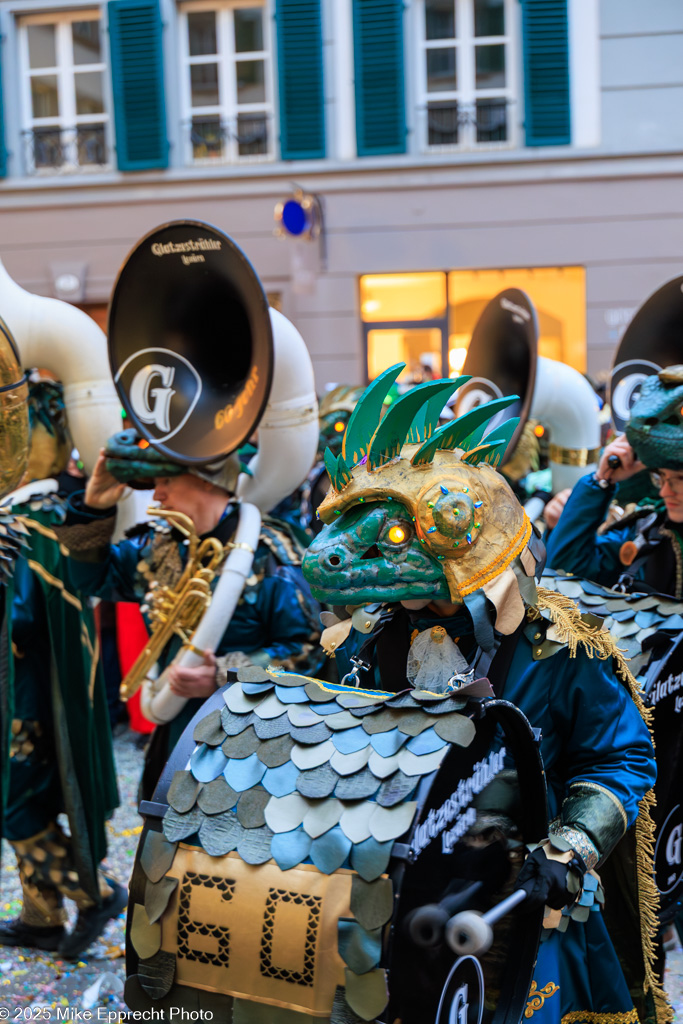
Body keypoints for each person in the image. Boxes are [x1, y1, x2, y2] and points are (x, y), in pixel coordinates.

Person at [301, 368, 668, 1021]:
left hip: (522, 908)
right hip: (386, 910)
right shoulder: (352, 645)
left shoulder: (559, 646)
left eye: (391, 534)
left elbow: (622, 757)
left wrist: (569, 849)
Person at [62, 430, 323, 801]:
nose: (156, 494)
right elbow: (90, 578)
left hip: (252, 740)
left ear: (208, 480)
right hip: (177, 730)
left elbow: (310, 650)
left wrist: (227, 676)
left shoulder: (272, 555)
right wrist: (94, 506)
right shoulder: (160, 547)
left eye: (166, 480)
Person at [0, 374, 123, 958]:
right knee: (27, 800)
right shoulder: (28, 511)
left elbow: (20, 616)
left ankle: (94, 893)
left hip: (31, 696)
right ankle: (41, 915)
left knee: (18, 805)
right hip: (23, 688)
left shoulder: (37, 515)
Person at [545, 366, 683, 596]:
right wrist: (601, 482)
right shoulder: (646, 529)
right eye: (663, 478)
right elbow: (564, 569)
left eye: (679, 478)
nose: (665, 492)